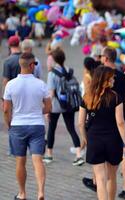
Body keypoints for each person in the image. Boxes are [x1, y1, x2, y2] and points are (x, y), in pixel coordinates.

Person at [3, 52, 51, 200]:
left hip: (18, 125)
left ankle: (22, 193)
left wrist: (9, 124)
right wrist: (37, 111)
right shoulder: (41, 84)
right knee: (38, 160)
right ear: (31, 65)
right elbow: (48, 107)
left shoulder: (10, 85)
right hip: (37, 125)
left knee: (20, 161)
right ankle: (40, 192)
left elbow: (6, 109)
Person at [79, 67, 125, 200]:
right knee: (111, 177)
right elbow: (120, 123)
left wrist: (85, 139)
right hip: (113, 140)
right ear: (105, 80)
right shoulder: (115, 97)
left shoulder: (87, 96)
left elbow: (80, 123)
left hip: (94, 140)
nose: (114, 79)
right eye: (111, 77)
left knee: (100, 179)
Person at [100, 46, 125, 199]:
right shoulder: (122, 76)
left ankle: (100, 186)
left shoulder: (100, 74)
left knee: (105, 167)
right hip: (122, 115)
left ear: (105, 58)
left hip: (105, 118)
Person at [43, 48, 84, 165]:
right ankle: (78, 154)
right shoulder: (69, 70)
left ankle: (49, 154)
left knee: (51, 129)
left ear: (54, 60)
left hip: (56, 105)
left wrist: (47, 110)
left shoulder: (52, 74)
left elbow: (50, 94)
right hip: (69, 104)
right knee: (71, 128)